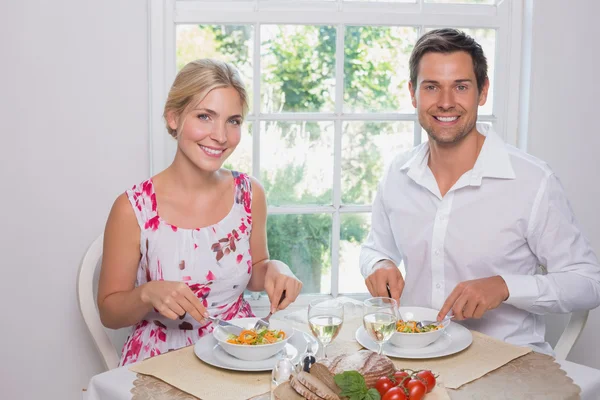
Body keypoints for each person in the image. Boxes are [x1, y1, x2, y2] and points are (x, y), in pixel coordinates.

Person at [359, 28, 600, 353]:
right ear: (413, 93)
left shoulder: (531, 180)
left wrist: (504, 287)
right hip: (415, 357)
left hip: (506, 362)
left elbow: (588, 283)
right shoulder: (396, 174)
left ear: (482, 92)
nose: (446, 102)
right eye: (432, 87)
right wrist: (378, 264)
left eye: (460, 86)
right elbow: (375, 248)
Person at [97, 59, 303, 366]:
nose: (220, 136)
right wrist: (146, 294)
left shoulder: (249, 194)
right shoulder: (133, 208)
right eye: (205, 116)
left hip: (239, 350)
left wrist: (275, 268)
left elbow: (256, 269)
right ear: (173, 118)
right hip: (160, 361)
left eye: (233, 121)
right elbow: (110, 312)